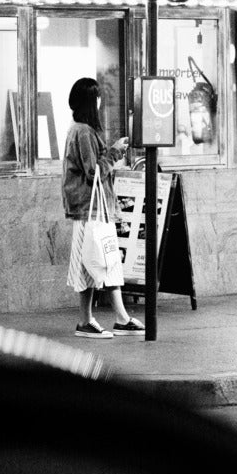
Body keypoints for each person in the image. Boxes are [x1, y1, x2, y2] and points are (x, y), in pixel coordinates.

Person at [62, 78, 145, 339]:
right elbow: (93, 172)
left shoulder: (79, 129)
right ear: (90, 102)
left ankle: (115, 318)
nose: (100, 102)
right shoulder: (84, 132)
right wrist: (115, 152)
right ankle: (93, 320)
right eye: (96, 97)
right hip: (90, 208)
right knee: (96, 262)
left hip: (92, 208)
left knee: (104, 261)